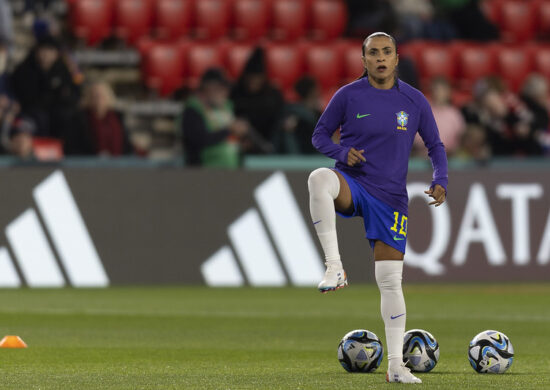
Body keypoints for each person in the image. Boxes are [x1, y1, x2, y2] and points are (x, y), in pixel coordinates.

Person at [308, 32, 447, 384]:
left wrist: (441, 179)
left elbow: (435, 145)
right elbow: (319, 135)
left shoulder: (414, 101)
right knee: (319, 179)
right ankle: (334, 267)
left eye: (387, 52)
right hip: (354, 184)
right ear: (364, 59)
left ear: (397, 58)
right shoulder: (348, 95)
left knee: (390, 282)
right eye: (373, 53)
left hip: (390, 198)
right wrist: (341, 154)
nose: (381, 58)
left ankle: (397, 366)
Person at [182, 68, 249, 168]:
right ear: (208, 88)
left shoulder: (226, 107)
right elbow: (200, 140)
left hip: (231, 169)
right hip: (204, 171)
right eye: (220, 89)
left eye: (225, 89)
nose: (225, 93)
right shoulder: (193, 110)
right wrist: (229, 130)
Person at [230, 47, 282, 153]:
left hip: (271, 140)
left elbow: (278, 119)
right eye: (250, 78)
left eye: (257, 78)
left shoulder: (273, 95)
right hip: (242, 141)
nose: (253, 82)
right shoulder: (235, 93)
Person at [72, 81, 131, 156]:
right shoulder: (79, 119)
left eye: (102, 96)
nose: (99, 100)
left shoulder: (118, 117)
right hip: (89, 164)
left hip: (117, 164)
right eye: (95, 96)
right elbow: (73, 147)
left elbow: (127, 146)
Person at [273, 76, 322, 154]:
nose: (319, 91)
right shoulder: (293, 111)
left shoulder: (317, 113)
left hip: (314, 154)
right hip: (298, 155)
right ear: (312, 91)